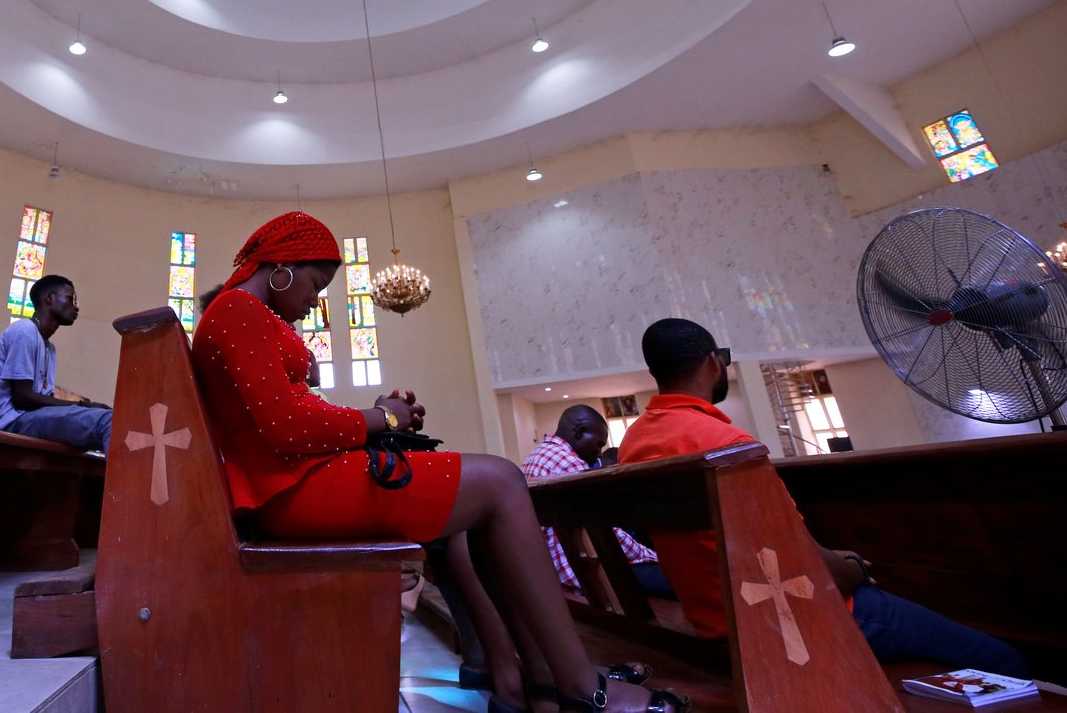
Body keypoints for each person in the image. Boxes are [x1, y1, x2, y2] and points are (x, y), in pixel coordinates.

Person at [192, 212, 688, 713]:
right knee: (500, 481)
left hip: (294, 482)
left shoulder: (242, 312)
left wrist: (382, 418)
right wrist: (384, 417)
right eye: (316, 285)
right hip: (291, 491)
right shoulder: (237, 308)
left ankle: (537, 679)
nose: (314, 302)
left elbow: (290, 417)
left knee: (480, 506)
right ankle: (582, 687)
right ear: (283, 267)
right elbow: (289, 427)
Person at [620, 318, 1029, 678]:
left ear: (656, 371)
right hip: (796, 622)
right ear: (713, 361)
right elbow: (808, 565)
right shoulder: (727, 445)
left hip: (718, 623)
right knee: (1002, 658)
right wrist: (855, 567)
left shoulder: (634, 443)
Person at [522, 405, 673, 599]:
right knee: (679, 579)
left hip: (557, 570)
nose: (600, 453)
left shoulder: (536, 456)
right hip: (587, 571)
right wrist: (652, 556)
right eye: (598, 444)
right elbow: (606, 534)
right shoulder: (569, 464)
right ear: (580, 432)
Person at [0, 275, 112, 453]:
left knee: (114, 422)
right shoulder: (25, 331)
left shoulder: (49, 347)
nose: (76, 307)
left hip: (30, 418)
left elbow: (42, 398)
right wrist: (83, 406)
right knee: (106, 422)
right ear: (49, 298)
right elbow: (23, 399)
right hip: (10, 422)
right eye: (70, 299)